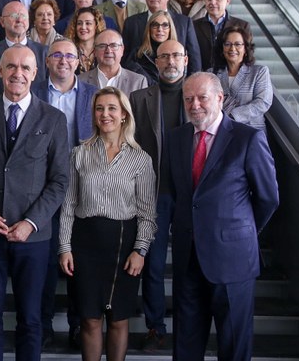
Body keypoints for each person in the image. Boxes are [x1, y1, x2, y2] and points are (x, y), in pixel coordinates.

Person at [166, 72, 279, 361]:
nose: (194, 105)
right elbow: (175, 194)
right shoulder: (176, 138)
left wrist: (240, 231)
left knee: (234, 347)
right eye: (188, 99)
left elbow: (268, 198)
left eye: (202, 98)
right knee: (185, 346)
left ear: (220, 98)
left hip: (233, 259)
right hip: (188, 258)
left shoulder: (247, 138)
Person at [0, 44, 69, 361]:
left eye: (25, 67)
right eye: (11, 66)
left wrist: (30, 222)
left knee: (31, 317)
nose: (18, 73)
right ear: (0, 71)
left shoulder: (53, 118)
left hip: (33, 237)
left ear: (36, 73)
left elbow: (60, 180)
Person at [58, 86, 156, 361]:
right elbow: (68, 206)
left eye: (112, 108)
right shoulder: (79, 153)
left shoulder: (140, 159)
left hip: (123, 246)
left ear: (124, 114)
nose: (105, 114)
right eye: (99, 108)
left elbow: (148, 213)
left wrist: (140, 250)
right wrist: (64, 247)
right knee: (89, 320)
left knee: (118, 319)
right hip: (85, 244)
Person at [32, 39, 96, 347]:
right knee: (45, 261)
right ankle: (43, 324)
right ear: (46, 61)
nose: (63, 60)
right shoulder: (33, 92)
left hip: (82, 188)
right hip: (41, 189)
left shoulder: (92, 95)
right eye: (56, 55)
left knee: (78, 260)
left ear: (79, 61)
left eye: (70, 56)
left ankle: (77, 324)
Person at [129, 40, 190, 352]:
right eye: (164, 56)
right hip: (154, 194)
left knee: (189, 265)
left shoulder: (198, 94)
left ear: (186, 59)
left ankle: (189, 323)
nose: (170, 61)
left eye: (176, 55)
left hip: (192, 196)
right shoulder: (140, 98)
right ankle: (156, 326)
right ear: (156, 61)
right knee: (152, 264)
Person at [121, 0, 201, 77]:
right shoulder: (131, 23)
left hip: (177, 83)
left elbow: (194, 60)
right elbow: (125, 59)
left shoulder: (184, 22)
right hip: (141, 83)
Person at [0, 1, 48, 103]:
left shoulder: (44, 52)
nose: (19, 20)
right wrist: (2, 108)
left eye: (23, 16)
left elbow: (50, 88)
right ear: (2, 21)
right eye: (13, 16)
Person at [215, 26, 272, 131]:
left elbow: (263, 102)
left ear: (246, 48)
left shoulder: (259, 72)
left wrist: (232, 115)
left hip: (252, 130)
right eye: (227, 44)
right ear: (222, 49)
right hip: (220, 131)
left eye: (237, 44)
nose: (232, 48)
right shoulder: (212, 74)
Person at [193, 0, 250, 71]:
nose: (212, 2)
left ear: (227, 1)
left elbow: (248, 56)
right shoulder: (193, 26)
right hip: (203, 76)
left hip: (232, 75)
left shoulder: (242, 26)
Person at [79, 29, 148, 95]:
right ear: (95, 52)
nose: (108, 51)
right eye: (102, 46)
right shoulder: (80, 81)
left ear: (122, 50)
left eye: (114, 46)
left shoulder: (138, 82)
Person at [129, 11, 178, 84]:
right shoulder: (137, 54)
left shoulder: (179, 54)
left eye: (165, 25)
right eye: (155, 25)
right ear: (149, 29)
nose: (160, 29)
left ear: (170, 29)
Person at [64, 7, 106, 73]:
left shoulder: (104, 50)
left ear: (96, 26)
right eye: (79, 23)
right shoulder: (67, 50)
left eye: (88, 23)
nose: (83, 27)